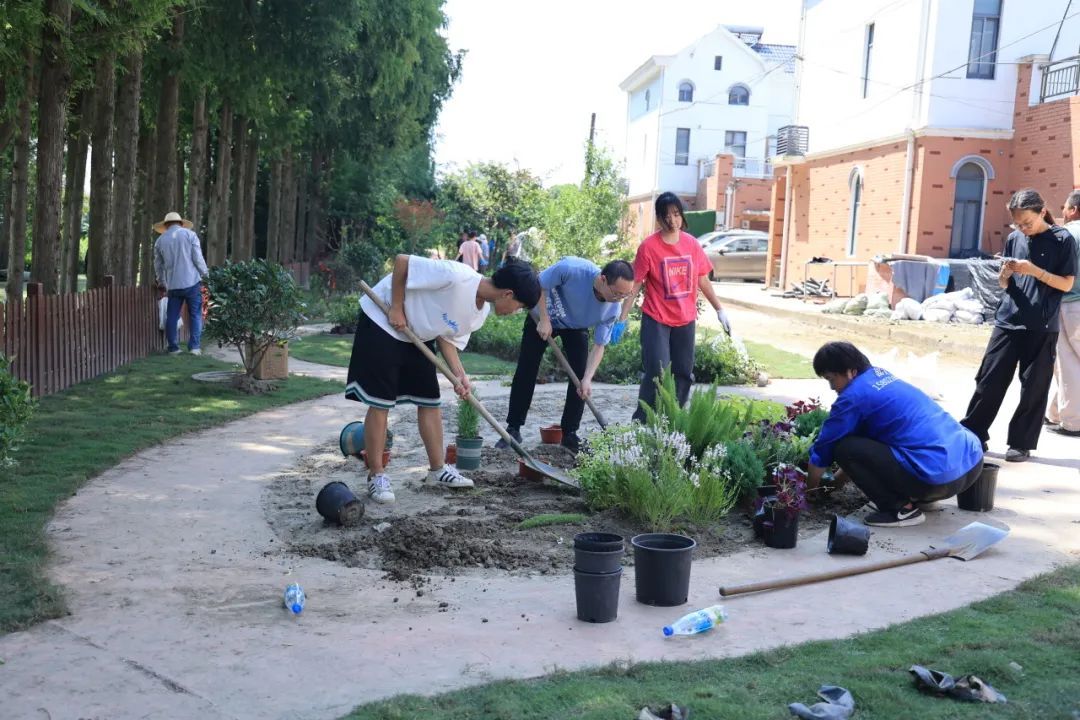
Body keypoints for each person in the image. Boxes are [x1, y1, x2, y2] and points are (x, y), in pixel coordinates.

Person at [346, 254, 541, 503]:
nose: (516, 312)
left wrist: (460, 376)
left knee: (429, 399)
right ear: (508, 294)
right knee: (381, 401)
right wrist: (396, 306)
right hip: (383, 318)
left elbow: (447, 338)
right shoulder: (456, 276)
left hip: (416, 331)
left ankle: (437, 470)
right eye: (520, 307)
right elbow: (402, 262)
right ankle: (377, 475)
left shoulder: (479, 314)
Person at [807, 342, 984, 527]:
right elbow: (862, 454)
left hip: (937, 481)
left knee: (842, 447)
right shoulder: (880, 376)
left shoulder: (852, 397)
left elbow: (824, 451)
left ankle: (901, 510)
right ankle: (923, 498)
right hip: (972, 463)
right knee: (862, 445)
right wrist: (833, 485)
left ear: (851, 372)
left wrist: (810, 492)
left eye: (831, 379)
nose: (831, 387)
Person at [960, 188, 1078, 462]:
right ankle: (973, 433)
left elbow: (1066, 284)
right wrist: (1005, 274)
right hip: (1008, 319)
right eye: (1018, 224)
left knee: (1034, 387)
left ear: (1042, 211)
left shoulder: (1062, 239)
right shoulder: (1015, 238)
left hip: (1041, 324)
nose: (1023, 229)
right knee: (989, 379)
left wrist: (1035, 271)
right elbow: (1006, 285)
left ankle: (1020, 443)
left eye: (1027, 223)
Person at [496, 257, 636, 453]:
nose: (619, 299)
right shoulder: (572, 269)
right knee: (527, 368)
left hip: (575, 327)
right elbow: (538, 284)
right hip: (543, 316)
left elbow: (599, 345)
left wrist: (588, 379)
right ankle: (514, 428)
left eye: (625, 295)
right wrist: (544, 319)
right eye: (616, 293)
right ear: (603, 280)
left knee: (580, 377)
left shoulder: (612, 309)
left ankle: (569, 433)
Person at [619, 192, 731, 422]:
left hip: (685, 319)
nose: (672, 220)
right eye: (666, 215)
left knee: (683, 372)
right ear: (659, 218)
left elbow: (702, 279)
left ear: (682, 215)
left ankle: (673, 419)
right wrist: (622, 317)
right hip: (656, 318)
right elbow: (636, 283)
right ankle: (642, 421)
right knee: (657, 371)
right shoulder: (649, 247)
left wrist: (719, 309)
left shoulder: (692, 245)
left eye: (676, 214)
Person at [1046, 189, 1080, 437]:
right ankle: (1056, 413)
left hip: (1070, 304)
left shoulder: (1067, 234)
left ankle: (1072, 422)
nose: (1063, 212)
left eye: (1065, 208)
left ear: (1074, 210)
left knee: (1067, 363)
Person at [153, 211, 209, 356]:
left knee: (172, 315)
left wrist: (162, 281)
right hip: (192, 282)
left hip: (173, 285)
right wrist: (206, 274)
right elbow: (198, 258)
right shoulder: (190, 235)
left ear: (166, 225)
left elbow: (158, 265)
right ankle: (194, 347)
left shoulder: (160, 241)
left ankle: (173, 348)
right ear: (181, 223)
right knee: (195, 314)